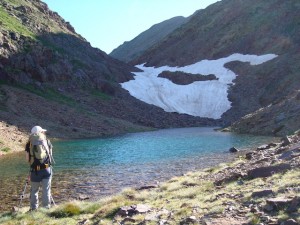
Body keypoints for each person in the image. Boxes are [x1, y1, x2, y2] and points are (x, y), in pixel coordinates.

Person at [25, 125, 54, 210]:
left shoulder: (29, 143)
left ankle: (33, 209)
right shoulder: (47, 141)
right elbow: (50, 155)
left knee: (34, 190)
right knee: (46, 190)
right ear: (41, 132)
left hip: (35, 171)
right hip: (46, 169)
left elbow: (27, 159)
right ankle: (46, 208)